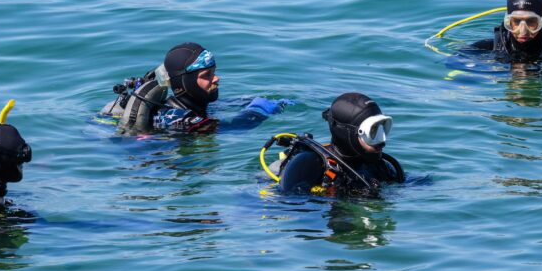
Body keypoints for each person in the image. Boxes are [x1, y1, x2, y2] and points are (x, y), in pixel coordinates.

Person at [100, 42, 287, 134]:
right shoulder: (176, 117)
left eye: (214, 72)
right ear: (184, 83)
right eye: (207, 76)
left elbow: (227, 106)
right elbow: (230, 128)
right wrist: (258, 110)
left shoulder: (198, 105)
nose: (216, 78)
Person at [264, 93, 404, 197]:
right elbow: (289, 206)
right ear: (347, 132)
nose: (382, 141)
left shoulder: (381, 166)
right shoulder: (308, 164)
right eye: (372, 132)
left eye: (383, 129)